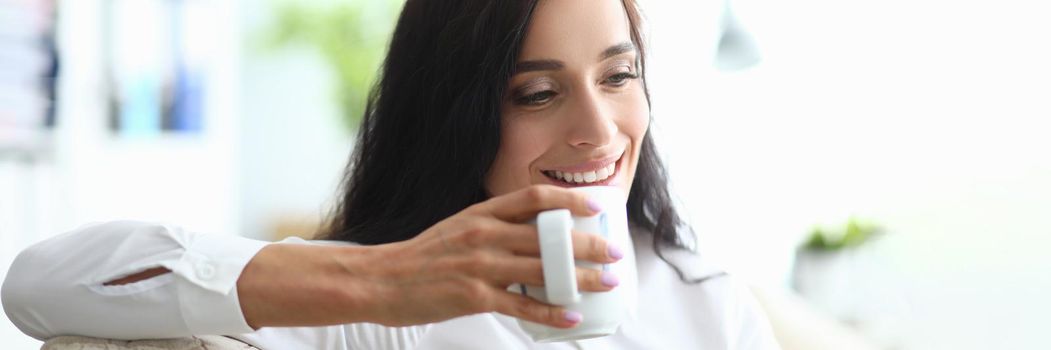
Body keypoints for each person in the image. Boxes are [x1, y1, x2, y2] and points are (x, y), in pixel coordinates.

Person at [2, 0, 781, 348]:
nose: (598, 130)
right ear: (454, 113)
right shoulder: (374, 306)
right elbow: (38, 286)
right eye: (538, 93)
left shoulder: (706, 305)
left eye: (618, 77)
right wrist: (383, 282)